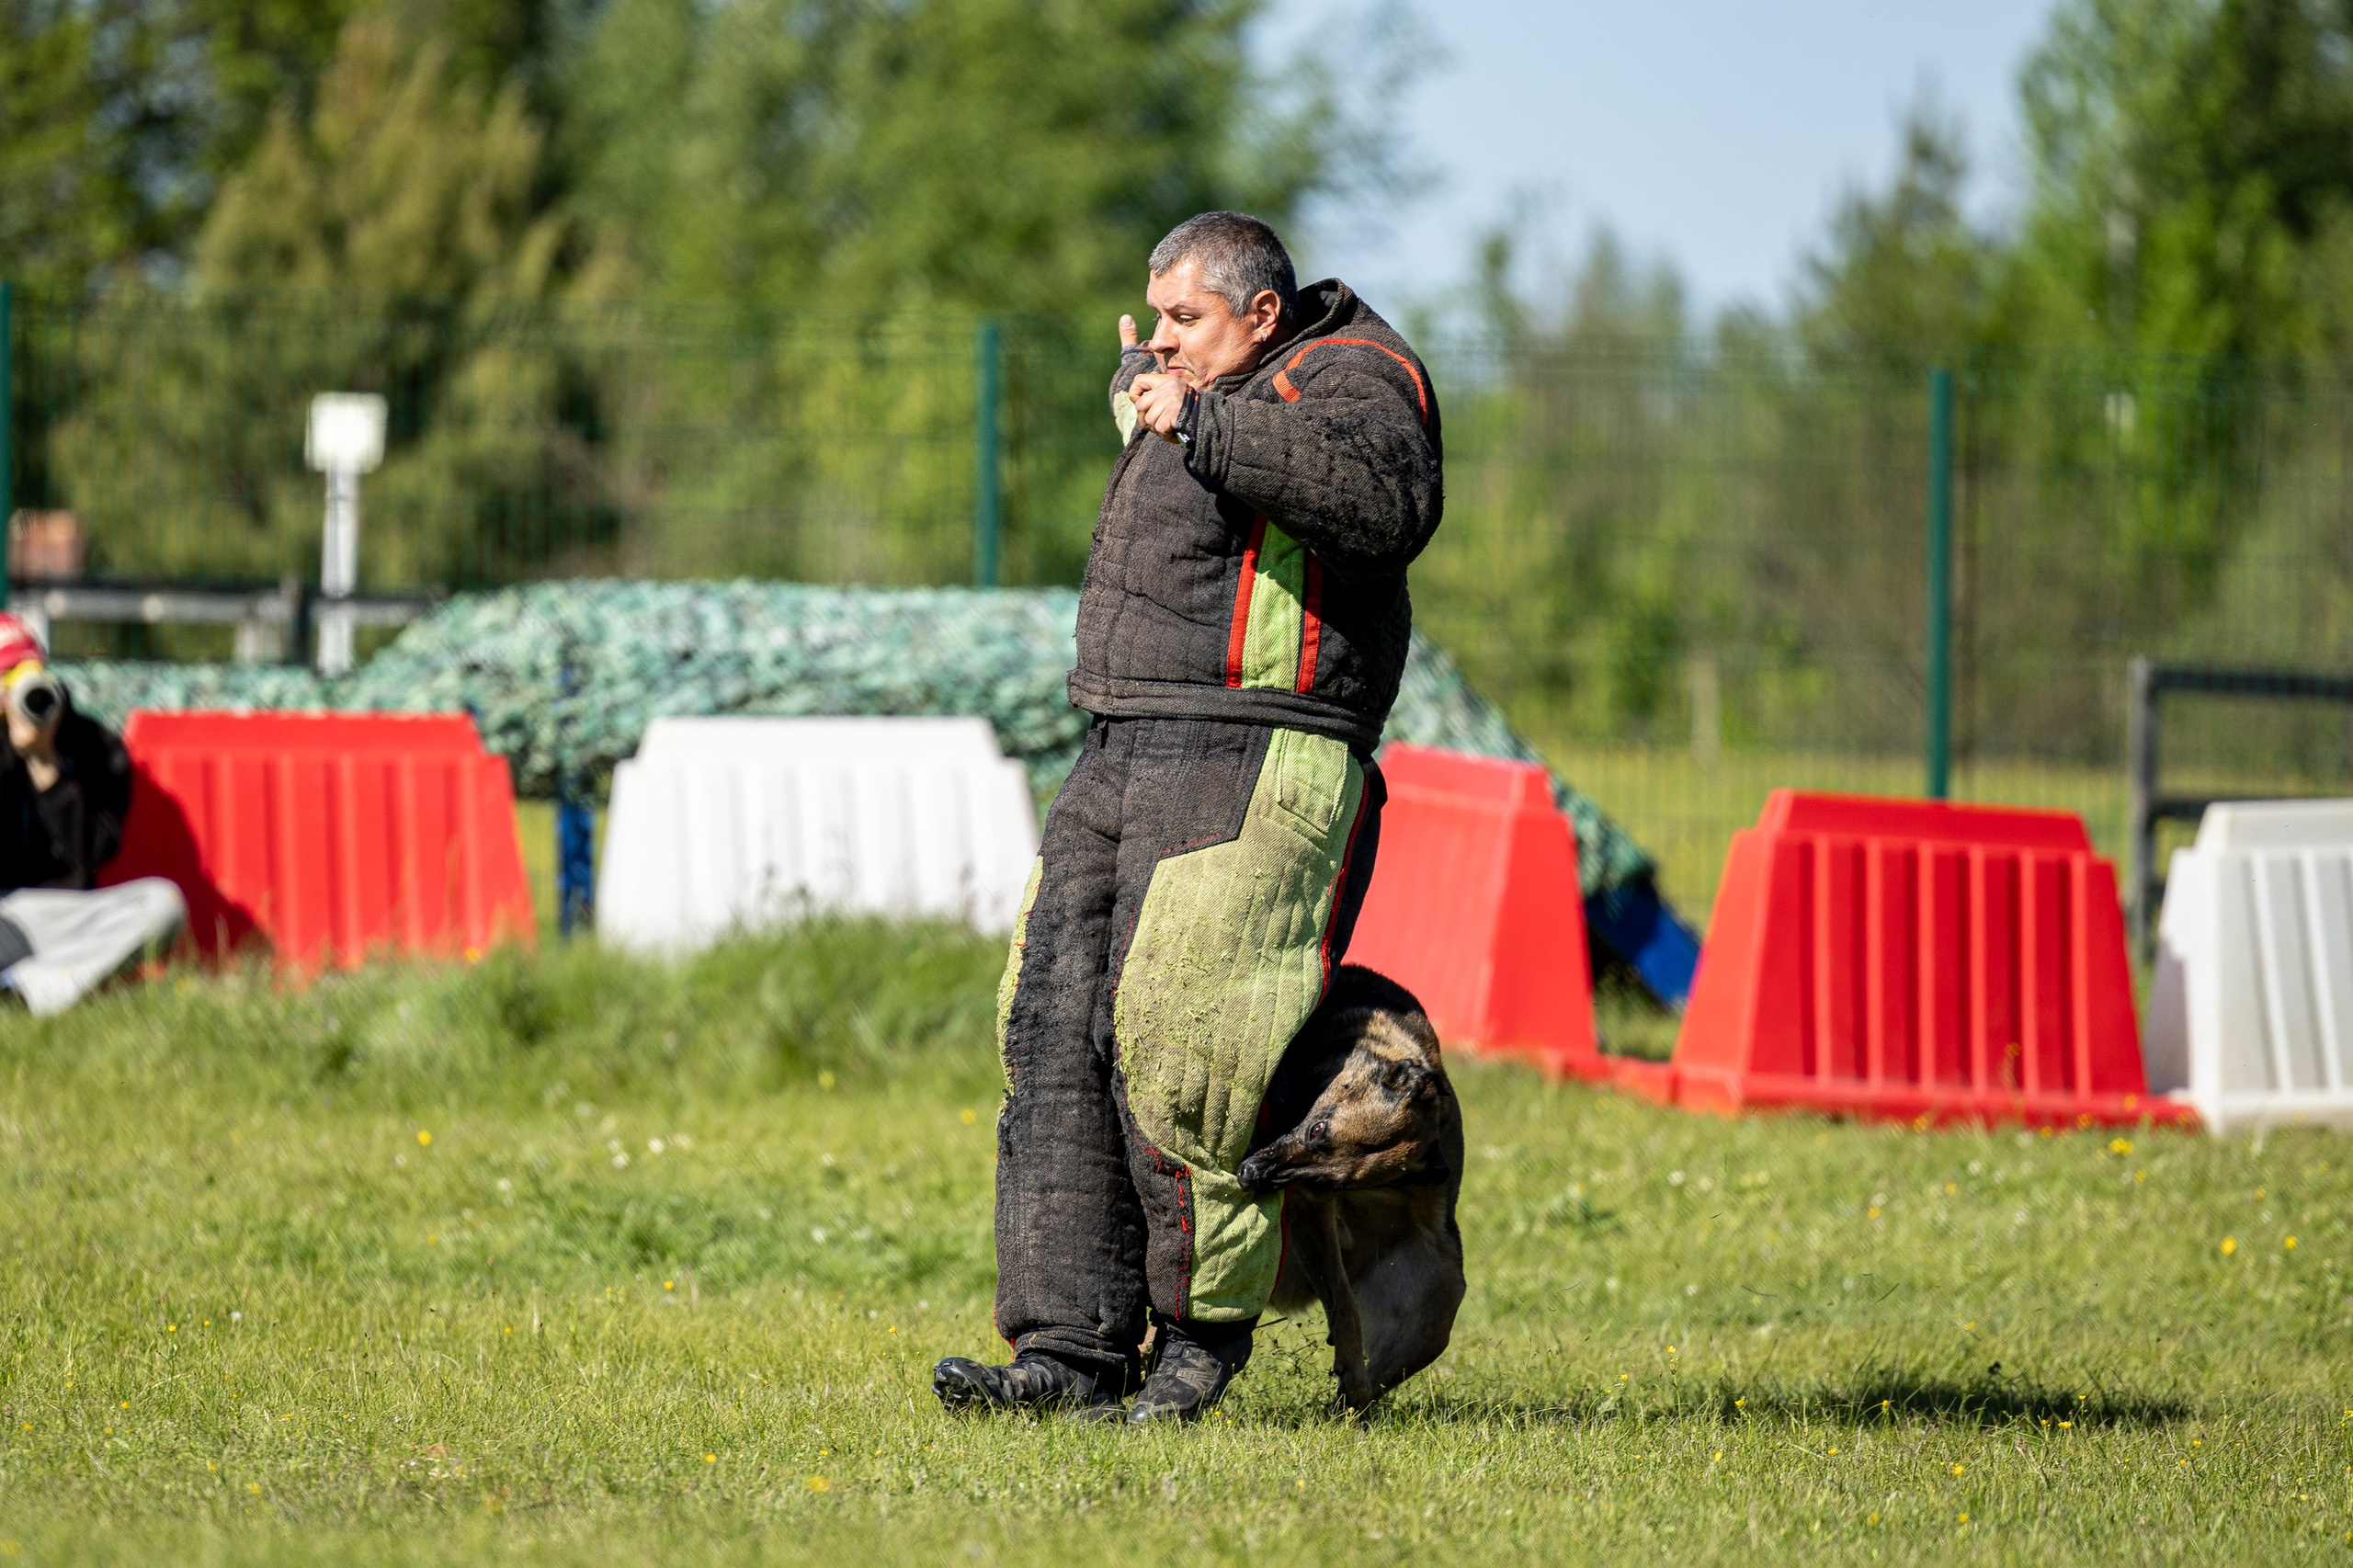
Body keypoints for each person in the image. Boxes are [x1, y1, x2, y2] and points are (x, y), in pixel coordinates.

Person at [932, 213, 1442, 1422]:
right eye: (1155, 318)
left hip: (1262, 745)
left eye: (1186, 320)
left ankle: (1199, 1340)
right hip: (1126, 737)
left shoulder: (1361, 377)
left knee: (1188, 1035)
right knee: (1052, 1023)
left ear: (1263, 314)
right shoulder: (1207, 383)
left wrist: (1197, 415)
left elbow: (1376, 504)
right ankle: (1068, 1350)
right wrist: (1153, 389)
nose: (1165, 340)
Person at [0, 615, 184, 1014]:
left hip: (64, 915)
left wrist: (44, 763)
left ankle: (23, 993)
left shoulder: (92, 746)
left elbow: (94, 852)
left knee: (163, 904)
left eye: (26, 673)